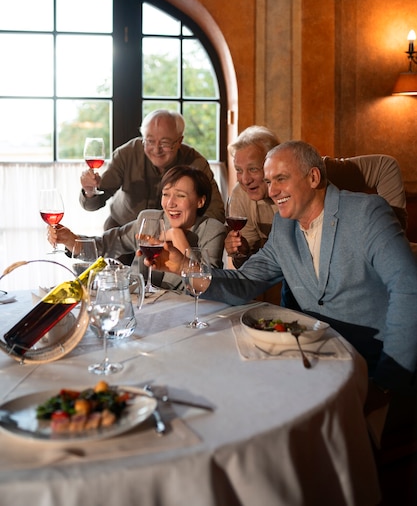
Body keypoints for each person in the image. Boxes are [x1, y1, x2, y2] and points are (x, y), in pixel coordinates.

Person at [146, 141, 417, 395]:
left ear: (313, 178)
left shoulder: (366, 212)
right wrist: (184, 267)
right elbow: (246, 281)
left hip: (372, 366)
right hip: (310, 362)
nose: (272, 191)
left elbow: (409, 289)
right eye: (268, 181)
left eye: (281, 179)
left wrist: (389, 383)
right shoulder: (284, 228)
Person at [225, 126, 408, 268]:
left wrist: (391, 230)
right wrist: (240, 253)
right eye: (239, 171)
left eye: (253, 169)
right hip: (296, 264)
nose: (245, 179)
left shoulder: (318, 171)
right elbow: (254, 265)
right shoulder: (242, 195)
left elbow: (386, 166)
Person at [50, 165, 227, 291]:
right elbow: (106, 245)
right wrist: (71, 240)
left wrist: (177, 236)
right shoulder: (149, 219)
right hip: (143, 307)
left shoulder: (213, 230)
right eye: (166, 194)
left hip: (187, 316)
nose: (170, 203)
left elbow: (208, 285)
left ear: (200, 201)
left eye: (180, 196)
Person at [79, 109, 225, 230]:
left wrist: (189, 231)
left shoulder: (196, 163)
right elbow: (94, 203)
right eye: (149, 141)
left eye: (165, 142)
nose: (156, 149)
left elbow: (216, 212)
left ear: (179, 141)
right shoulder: (127, 154)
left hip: (175, 235)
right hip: (124, 229)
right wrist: (89, 191)